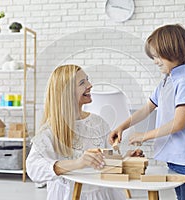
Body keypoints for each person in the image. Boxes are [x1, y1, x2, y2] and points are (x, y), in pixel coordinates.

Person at [109, 24, 185, 200]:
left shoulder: (184, 83)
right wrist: (121, 126)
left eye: (158, 56)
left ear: (174, 51)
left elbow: (179, 123)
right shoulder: (165, 83)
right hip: (175, 156)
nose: (155, 61)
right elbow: (147, 109)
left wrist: (144, 136)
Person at [26, 64, 126, 200]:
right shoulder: (50, 131)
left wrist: (126, 159)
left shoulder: (98, 122)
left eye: (87, 80)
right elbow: (34, 169)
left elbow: (109, 158)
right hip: (69, 195)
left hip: (102, 194)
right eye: (82, 83)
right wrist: (78, 163)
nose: (90, 85)